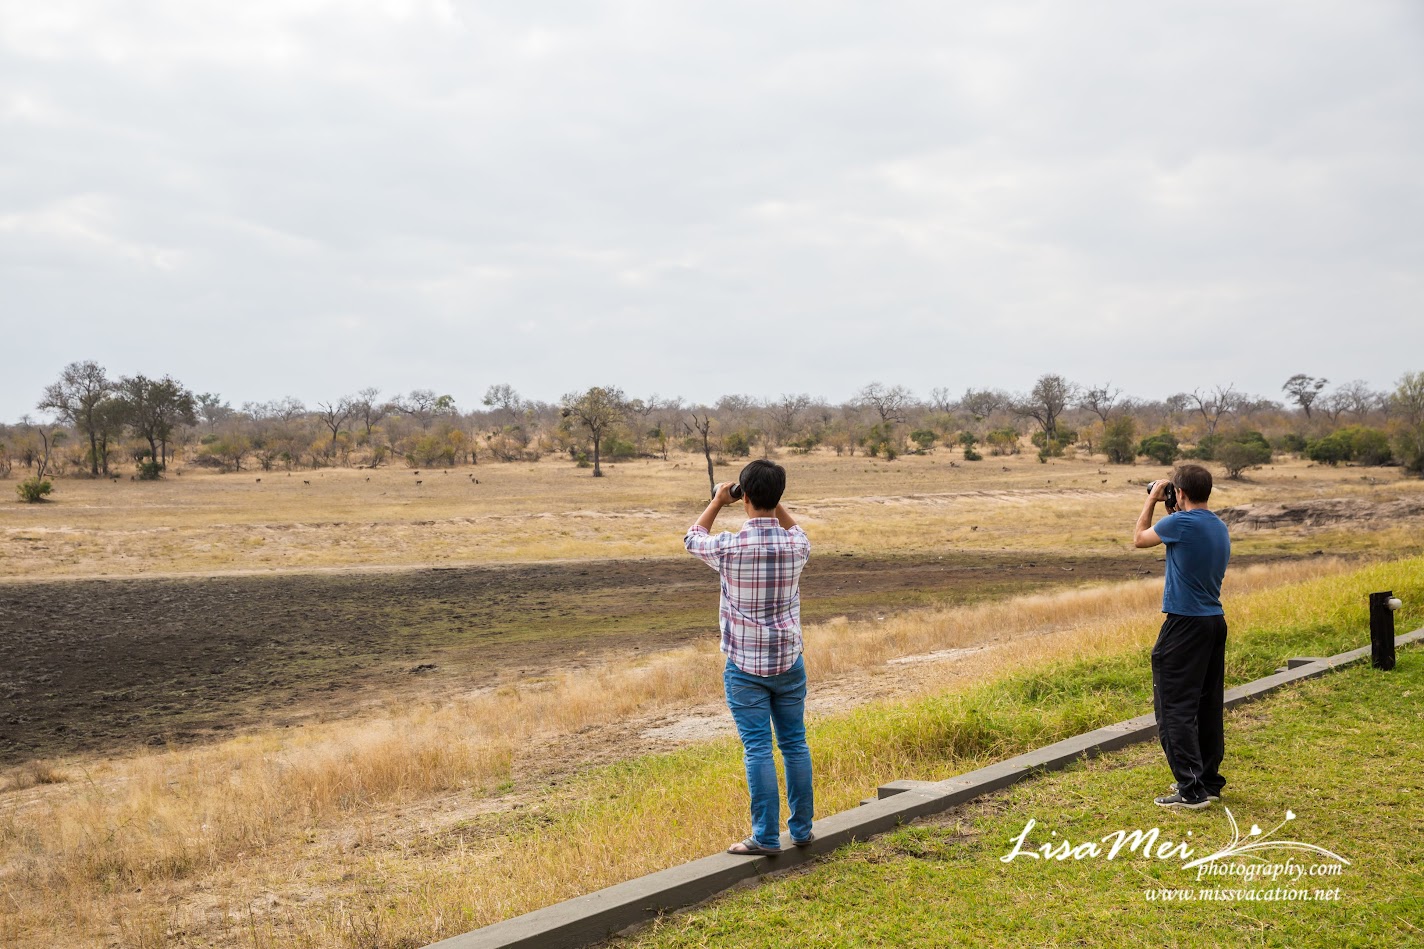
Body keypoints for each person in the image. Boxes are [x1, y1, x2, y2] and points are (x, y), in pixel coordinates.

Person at [684, 459, 814, 855]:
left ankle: (766, 838)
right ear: (778, 497)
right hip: (789, 661)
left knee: (758, 748)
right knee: (795, 744)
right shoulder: (796, 546)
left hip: (744, 667)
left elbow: (692, 538)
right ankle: (802, 831)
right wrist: (774, 502)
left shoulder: (729, 546)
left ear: (744, 498)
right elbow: (795, 529)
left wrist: (717, 501)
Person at [1133, 463, 1232, 810]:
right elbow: (1181, 535)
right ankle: (1208, 782)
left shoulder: (1179, 524)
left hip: (1185, 623)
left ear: (1181, 492)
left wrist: (1151, 500)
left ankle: (1190, 790)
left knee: (1174, 706)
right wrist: (1173, 504)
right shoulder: (1217, 525)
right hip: (1213, 622)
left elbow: (1140, 539)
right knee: (1206, 705)